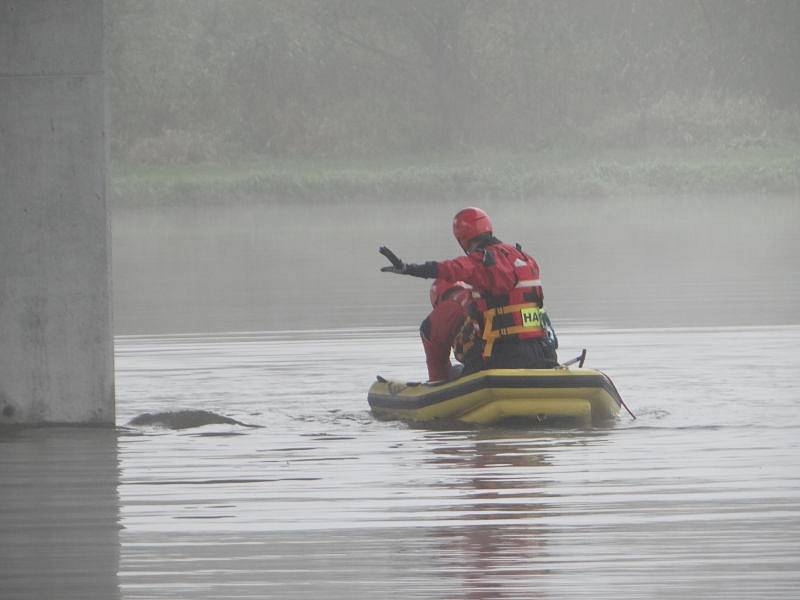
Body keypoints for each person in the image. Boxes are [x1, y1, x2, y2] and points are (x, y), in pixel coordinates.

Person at [380, 207, 558, 370]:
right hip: (544, 351)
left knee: (459, 371)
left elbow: (446, 269)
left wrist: (409, 269)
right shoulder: (526, 258)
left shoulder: (483, 262)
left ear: (463, 239)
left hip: (506, 356)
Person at [420, 279, 483, 382]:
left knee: (454, 371)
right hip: (514, 360)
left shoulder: (436, 318)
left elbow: (438, 371)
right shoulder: (484, 297)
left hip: (479, 368)